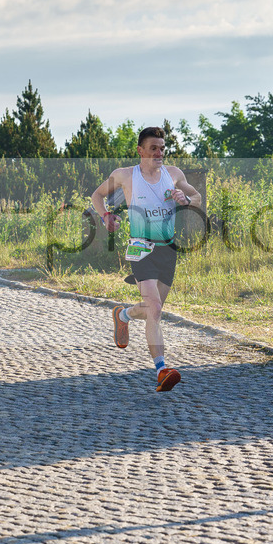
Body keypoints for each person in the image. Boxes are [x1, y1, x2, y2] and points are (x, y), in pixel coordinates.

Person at [91, 126, 202, 392]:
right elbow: (97, 195)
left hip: (168, 249)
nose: (159, 153)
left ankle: (124, 314)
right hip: (141, 248)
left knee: (155, 311)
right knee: (153, 307)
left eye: (162, 148)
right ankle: (162, 369)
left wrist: (185, 199)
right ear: (140, 150)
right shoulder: (125, 176)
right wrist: (106, 216)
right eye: (153, 148)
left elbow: (196, 198)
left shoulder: (173, 174)